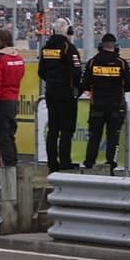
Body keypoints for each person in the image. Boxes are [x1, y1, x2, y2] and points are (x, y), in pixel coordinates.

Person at [79, 32, 130, 172]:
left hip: (97, 105)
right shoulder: (121, 63)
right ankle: (111, 165)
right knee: (113, 137)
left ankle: (89, 164)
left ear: (101, 46)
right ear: (115, 47)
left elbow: (84, 84)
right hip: (116, 106)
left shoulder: (93, 62)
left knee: (94, 137)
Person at [38, 18, 81, 171]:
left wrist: (52, 81)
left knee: (53, 129)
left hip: (50, 91)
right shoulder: (68, 47)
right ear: (68, 31)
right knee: (67, 129)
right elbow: (76, 72)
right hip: (66, 92)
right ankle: (65, 162)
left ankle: (52, 164)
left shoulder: (46, 48)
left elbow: (41, 71)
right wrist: (77, 88)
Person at [0, 28, 25, 170]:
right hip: (13, 100)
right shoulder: (19, 58)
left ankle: (8, 166)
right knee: (9, 135)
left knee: (1, 136)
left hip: (0, 102)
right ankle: (13, 163)